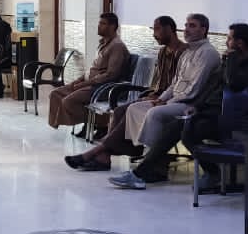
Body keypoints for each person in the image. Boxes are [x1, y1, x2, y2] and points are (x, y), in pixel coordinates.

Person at [107, 13, 220, 190]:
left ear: (203, 29)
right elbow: (175, 83)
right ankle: (146, 157)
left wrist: (167, 103)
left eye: (192, 26)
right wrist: (161, 99)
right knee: (136, 108)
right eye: (186, 25)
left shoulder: (208, 53)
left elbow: (194, 87)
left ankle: (153, 167)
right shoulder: (187, 52)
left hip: (190, 104)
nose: (187, 29)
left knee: (155, 113)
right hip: (176, 100)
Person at [64, 16, 184, 171]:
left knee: (128, 110)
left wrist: (159, 97)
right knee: (119, 111)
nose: (154, 34)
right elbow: (159, 83)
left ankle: (99, 154)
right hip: (157, 96)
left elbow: (178, 85)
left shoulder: (183, 53)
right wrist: (151, 94)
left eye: (157, 29)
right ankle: (105, 155)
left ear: (169, 29)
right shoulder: (162, 52)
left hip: (170, 100)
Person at [179, 22, 248, 192]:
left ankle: (213, 173)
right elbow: (213, 86)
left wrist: (231, 59)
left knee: (189, 131)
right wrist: (197, 106)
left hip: (236, 121)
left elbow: (234, 85)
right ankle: (150, 168)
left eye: (229, 38)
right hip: (215, 113)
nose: (226, 42)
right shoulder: (229, 62)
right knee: (179, 126)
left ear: (239, 43)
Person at [46, 13, 129, 129]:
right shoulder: (103, 44)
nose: (99, 26)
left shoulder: (117, 46)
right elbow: (94, 69)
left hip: (101, 87)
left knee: (68, 102)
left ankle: (99, 123)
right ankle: (61, 123)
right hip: (89, 83)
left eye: (103, 23)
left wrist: (85, 84)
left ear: (113, 26)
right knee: (55, 94)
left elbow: (111, 75)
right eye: (99, 23)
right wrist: (79, 80)